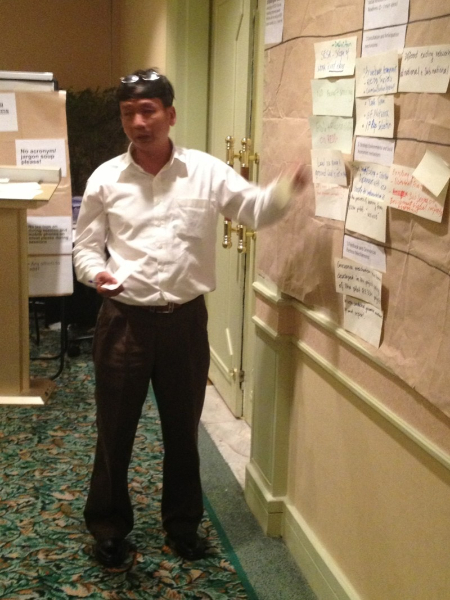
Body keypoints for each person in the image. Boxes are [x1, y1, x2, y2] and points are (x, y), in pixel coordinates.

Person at [73, 68, 302, 568]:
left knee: (183, 430)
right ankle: (108, 528)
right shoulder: (106, 178)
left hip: (184, 323)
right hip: (124, 322)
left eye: (148, 110)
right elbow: (85, 245)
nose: (139, 122)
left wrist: (287, 188)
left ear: (170, 114)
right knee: (115, 431)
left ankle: (182, 526)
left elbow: (255, 210)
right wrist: (97, 274)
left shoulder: (206, 171)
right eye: (129, 113)